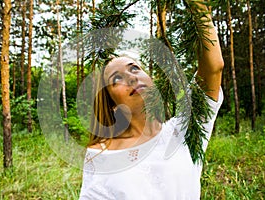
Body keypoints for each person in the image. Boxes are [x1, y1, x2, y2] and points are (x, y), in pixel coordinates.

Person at [79, 1, 224, 199]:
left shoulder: (184, 129)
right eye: (117, 79)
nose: (131, 77)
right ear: (112, 104)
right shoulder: (100, 155)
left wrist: (199, 8)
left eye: (135, 68)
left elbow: (213, 69)